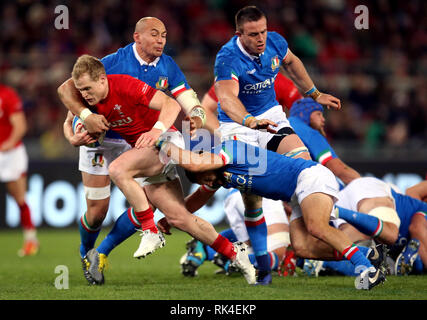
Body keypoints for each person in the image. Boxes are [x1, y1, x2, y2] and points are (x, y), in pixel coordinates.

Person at [62, 54, 256, 286]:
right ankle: (236, 253)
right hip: (145, 148)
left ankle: (150, 230)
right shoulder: (86, 101)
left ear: (102, 79)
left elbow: (171, 103)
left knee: (118, 169)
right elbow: (68, 118)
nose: (84, 94)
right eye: (81, 90)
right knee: (180, 217)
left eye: (87, 88)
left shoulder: (124, 84)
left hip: (165, 141)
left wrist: (157, 130)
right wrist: (73, 138)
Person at [59, 17, 217, 283]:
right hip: (100, 137)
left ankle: (101, 253)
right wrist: (81, 122)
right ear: (137, 38)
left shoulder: (168, 66)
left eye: (164, 35)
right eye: (155, 35)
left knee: (151, 198)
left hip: (137, 140)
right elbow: (68, 91)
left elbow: (190, 101)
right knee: (97, 212)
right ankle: (86, 251)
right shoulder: (112, 63)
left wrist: (198, 117)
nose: (161, 40)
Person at [212, 5, 341, 284]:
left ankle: (312, 233)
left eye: (263, 31)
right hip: (238, 127)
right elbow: (227, 100)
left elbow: (292, 63)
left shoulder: (275, 42)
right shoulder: (227, 58)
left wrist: (315, 94)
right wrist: (248, 120)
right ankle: (264, 269)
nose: (261, 39)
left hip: (271, 116)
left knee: (305, 165)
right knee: (252, 202)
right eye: (253, 34)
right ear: (239, 34)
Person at [154, 138, 387, 290]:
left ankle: (367, 269)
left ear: (205, 159)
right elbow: (253, 219)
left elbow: (194, 166)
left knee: (317, 227)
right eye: (207, 181)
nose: (211, 182)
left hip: (309, 176)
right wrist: (264, 271)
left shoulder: (228, 149)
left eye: (208, 177)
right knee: (303, 247)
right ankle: (369, 255)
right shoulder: (230, 176)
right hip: (296, 193)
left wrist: (166, 145)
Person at [304, 177, 427, 276]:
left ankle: (318, 262)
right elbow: (417, 227)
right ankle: (336, 211)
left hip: (360, 212)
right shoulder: (421, 211)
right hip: (371, 194)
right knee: (390, 235)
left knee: (364, 259)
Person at [0, 83, 39, 257]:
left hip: (10, 153)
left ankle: (31, 239)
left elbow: (20, 125)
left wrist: (8, 143)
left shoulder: (6, 95)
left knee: (19, 198)